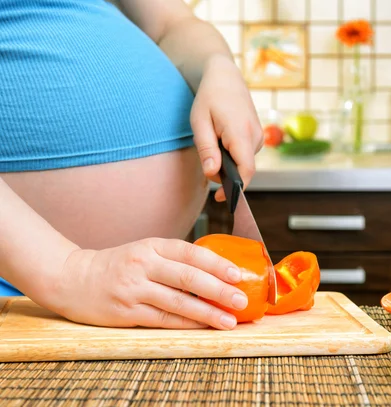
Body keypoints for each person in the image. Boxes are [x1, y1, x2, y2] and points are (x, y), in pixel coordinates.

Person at [0, 0, 263, 331]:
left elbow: (171, 24)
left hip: (125, 298)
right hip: (22, 290)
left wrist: (218, 67)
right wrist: (69, 272)